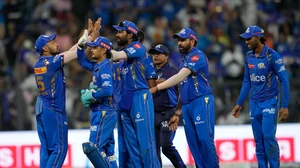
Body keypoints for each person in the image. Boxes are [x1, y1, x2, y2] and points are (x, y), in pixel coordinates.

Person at [150, 28, 220, 168]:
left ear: (193, 41)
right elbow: (184, 88)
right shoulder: (184, 61)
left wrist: (157, 87)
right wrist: (177, 112)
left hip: (201, 101)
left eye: (183, 40)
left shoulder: (197, 56)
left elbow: (179, 77)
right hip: (187, 105)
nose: (180, 43)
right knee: (193, 144)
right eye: (179, 41)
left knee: (204, 140)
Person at [231, 25, 290, 168]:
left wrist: (284, 106)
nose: (246, 42)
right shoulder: (248, 56)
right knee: (258, 141)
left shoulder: (273, 56)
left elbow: (284, 80)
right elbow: (247, 81)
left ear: (258, 37)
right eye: (245, 39)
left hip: (270, 102)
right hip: (254, 103)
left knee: (268, 137)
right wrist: (239, 103)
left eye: (249, 38)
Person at [33, 30, 88, 167]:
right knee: (59, 149)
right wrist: (85, 42)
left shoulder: (41, 63)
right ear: (45, 48)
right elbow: (74, 53)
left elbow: (69, 52)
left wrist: (87, 38)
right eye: (51, 42)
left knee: (46, 149)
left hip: (42, 108)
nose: (55, 43)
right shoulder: (52, 62)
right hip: (53, 109)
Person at [110, 20, 160, 168]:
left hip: (140, 96)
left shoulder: (137, 47)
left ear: (131, 35)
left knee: (145, 144)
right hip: (126, 99)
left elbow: (115, 56)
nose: (117, 35)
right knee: (132, 147)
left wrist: (103, 47)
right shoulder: (125, 58)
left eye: (120, 32)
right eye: (117, 32)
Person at [78, 35, 117, 168]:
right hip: (104, 112)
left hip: (104, 112)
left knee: (93, 148)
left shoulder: (105, 67)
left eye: (95, 48)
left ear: (104, 50)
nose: (92, 50)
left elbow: (108, 91)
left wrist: (92, 95)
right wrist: (80, 47)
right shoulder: (97, 66)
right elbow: (82, 61)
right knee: (108, 152)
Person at [149, 44, 186, 168]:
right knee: (154, 150)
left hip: (168, 113)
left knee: (166, 146)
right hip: (152, 114)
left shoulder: (171, 71)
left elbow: (159, 83)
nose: (155, 56)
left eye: (159, 53)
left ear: (167, 56)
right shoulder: (150, 71)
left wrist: (177, 112)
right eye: (153, 54)